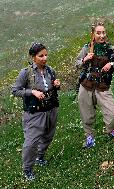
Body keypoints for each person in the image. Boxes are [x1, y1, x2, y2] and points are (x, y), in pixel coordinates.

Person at [12, 43, 60, 181]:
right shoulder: (25, 73)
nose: (45, 58)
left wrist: (57, 85)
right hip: (34, 113)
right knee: (31, 141)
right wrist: (32, 92)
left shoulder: (50, 70)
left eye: (46, 55)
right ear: (33, 57)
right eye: (41, 56)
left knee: (48, 135)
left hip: (51, 109)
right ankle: (27, 170)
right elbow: (15, 90)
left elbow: (53, 88)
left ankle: (40, 157)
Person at [75, 22, 114, 148]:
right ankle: (89, 136)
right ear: (93, 34)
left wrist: (111, 65)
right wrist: (85, 60)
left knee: (112, 114)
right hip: (86, 85)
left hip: (103, 86)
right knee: (87, 114)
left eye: (103, 33)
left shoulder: (111, 49)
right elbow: (77, 64)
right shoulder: (86, 48)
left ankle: (110, 130)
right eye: (98, 33)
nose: (102, 36)